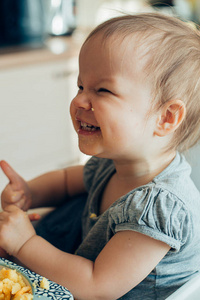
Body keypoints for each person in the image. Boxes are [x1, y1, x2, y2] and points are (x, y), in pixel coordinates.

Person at [0, 12, 200, 300]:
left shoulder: (159, 209)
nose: (79, 100)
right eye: (81, 86)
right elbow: (68, 180)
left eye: (103, 90)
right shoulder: (115, 164)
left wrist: (24, 244)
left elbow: (97, 287)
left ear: (166, 117)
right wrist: (31, 192)